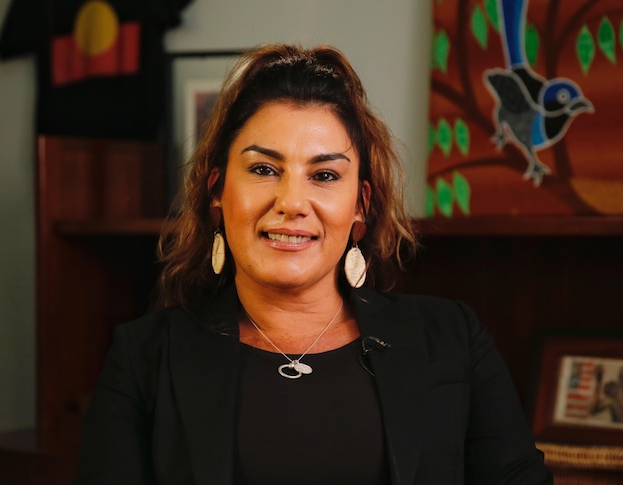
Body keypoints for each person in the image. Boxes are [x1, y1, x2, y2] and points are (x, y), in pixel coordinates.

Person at [75, 43, 552, 485]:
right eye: (264, 169)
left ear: (360, 205)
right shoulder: (143, 358)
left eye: (324, 175)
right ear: (217, 191)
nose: (292, 202)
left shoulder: (453, 338)